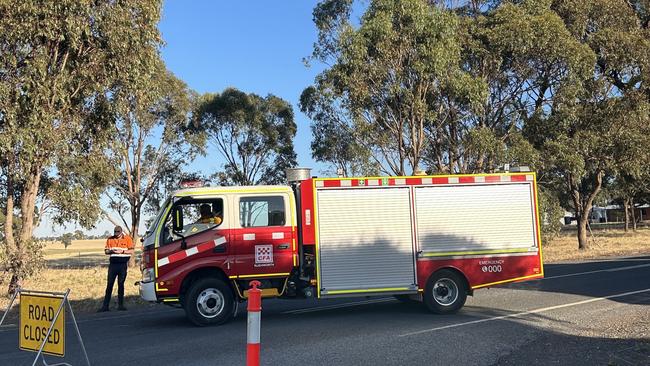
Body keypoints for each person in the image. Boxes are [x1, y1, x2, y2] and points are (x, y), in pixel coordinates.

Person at [98, 226, 134, 312]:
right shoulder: (110, 239)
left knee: (121, 284)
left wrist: (122, 251)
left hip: (122, 265)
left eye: (118, 232)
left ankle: (120, 305)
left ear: (121, 232)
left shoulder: (127, 239)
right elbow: (106, 251)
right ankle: (105, 306)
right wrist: (112, 251)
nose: (116, 233)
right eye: (115, 232)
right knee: (109, 285)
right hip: (113, 265)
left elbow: (131, 251)